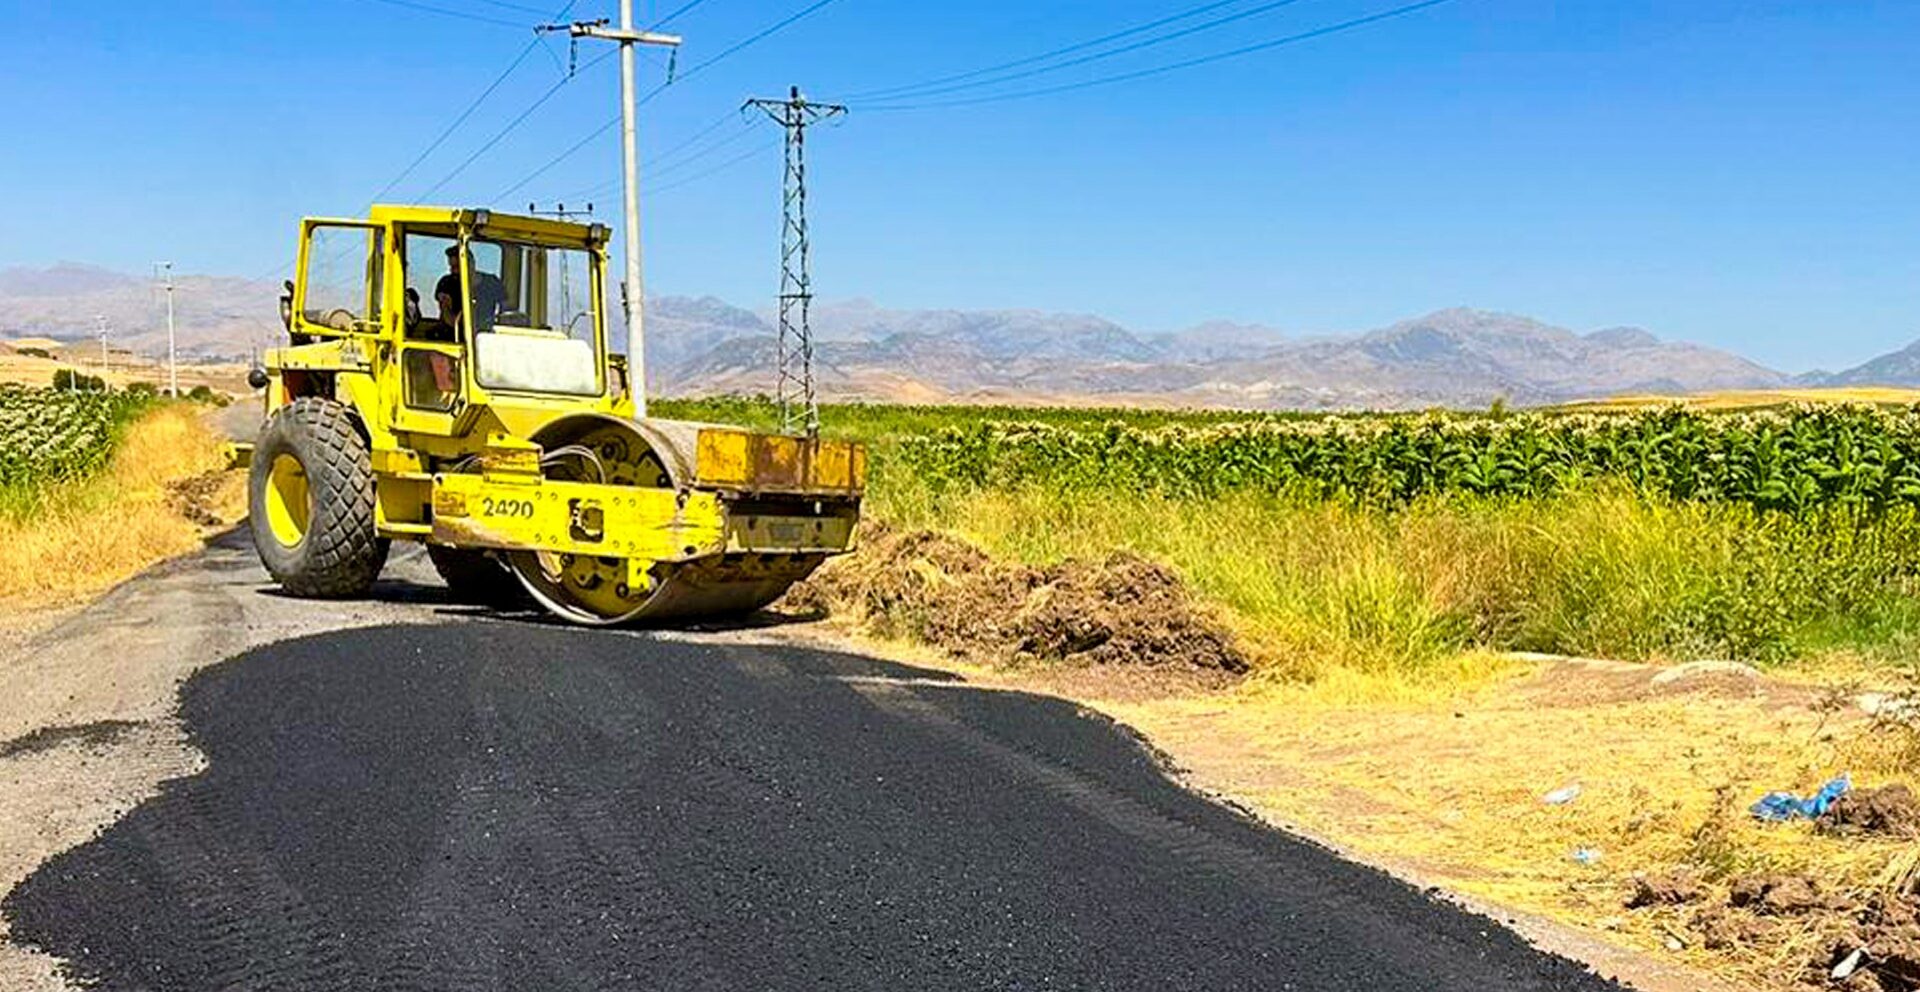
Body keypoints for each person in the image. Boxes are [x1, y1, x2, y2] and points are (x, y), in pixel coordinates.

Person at [435, 245, 506, 332]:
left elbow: (506, 307)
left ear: (471, 263)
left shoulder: (492, 282)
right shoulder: (446, 283)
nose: (452, 271)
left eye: (456, 267)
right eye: (451, 267)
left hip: (484, 334)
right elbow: (449, 318)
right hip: (452, 334)